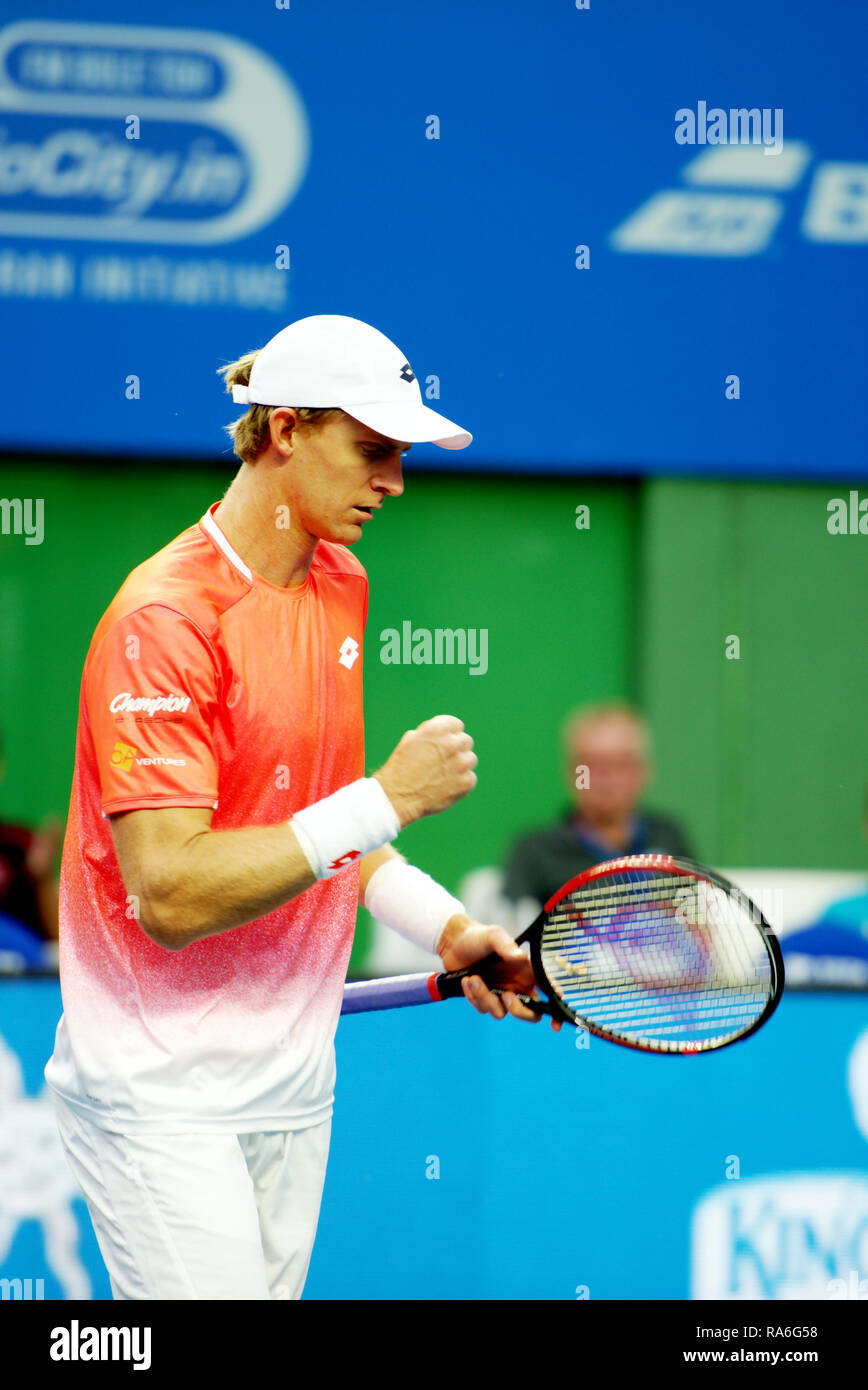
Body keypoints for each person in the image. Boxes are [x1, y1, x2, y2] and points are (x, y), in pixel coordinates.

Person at [44, 314, 556, 1303]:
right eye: (371, 451)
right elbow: (171, 895)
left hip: (294, 1087)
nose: (394, 481)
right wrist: (385, 796)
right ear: (285, 431)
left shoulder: (339, 586)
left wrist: (446, 926)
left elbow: (319, 834)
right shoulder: (165, 620)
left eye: (401, 455)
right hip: (160, 1100)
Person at [503, 701, 693, 907]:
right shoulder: (533, 851)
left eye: (619, 765)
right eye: (590, 766)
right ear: (571, 773)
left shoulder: (670, 836)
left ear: (643, 771)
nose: (605, 780)